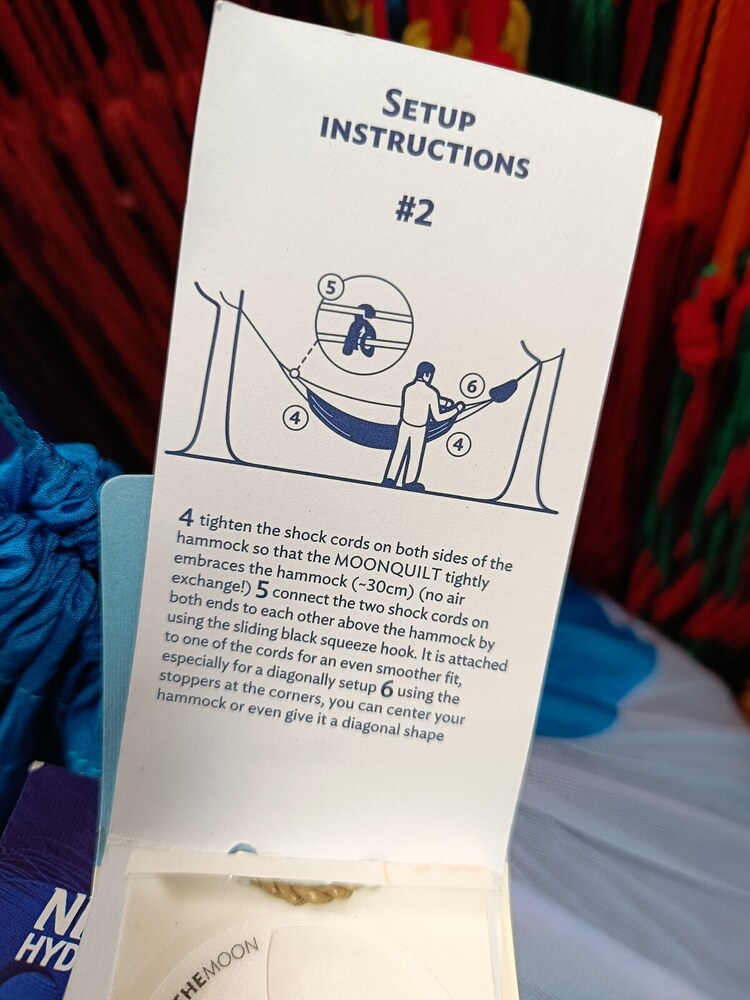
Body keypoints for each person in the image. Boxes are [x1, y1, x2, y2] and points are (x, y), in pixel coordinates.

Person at [382, 362, 463, 491]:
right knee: (415, 455)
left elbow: (422, 398)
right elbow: (437, 417)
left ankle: (389, 479)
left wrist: (442, 401)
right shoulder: (431, 393)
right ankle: (409, 482)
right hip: (419, 428)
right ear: (427, 375)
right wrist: (456, 410)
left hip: (404, 425)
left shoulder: (409, 389)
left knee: (398, 452)